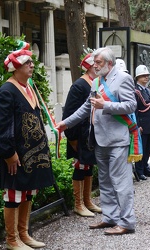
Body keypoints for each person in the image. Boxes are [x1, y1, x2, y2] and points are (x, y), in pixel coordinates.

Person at [55, 47, 137, 235]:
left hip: (117, 140)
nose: (95, 65)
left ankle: (126, 222)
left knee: (121, 182)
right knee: (105, 182)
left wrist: (105, 105)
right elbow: (86, 108)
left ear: (109, 63)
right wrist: (65, 124)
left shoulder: (124, 78)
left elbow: (132, 105)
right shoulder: (97, 81)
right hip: (99, 139)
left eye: (98, 62)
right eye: (94, 62)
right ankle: (110, 218)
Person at [0, 42, 53, 249]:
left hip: (31, 155)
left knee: (27, 191)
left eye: (32, 62)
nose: (32, 66)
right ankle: (12, 239)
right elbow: (1, 127)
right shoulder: (7, 91)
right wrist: (9, 153)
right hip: (15, 156)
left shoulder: (28, 88)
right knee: (13, 194)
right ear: (16, 67)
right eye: (28, 62)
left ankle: (23, 234)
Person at [62, 53, 101, 217]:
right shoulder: (79, 85)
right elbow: (70, 113)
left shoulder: (94, 83)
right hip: (79, 136)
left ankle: (87, 200)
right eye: (97, 64)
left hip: (89, 135)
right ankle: (78, 204)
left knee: (89, 166)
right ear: (91, 66)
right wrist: (72, 138)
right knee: (80, 167)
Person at [134, 65, 150, 181]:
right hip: (142, 124)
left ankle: (146, 169)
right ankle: (139, 171)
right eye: (143, 76)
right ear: (137, 77)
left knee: (148, 148)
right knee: (142, 149)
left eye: (147, 76)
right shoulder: (136, 91)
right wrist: (137, 125)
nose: (146, 77)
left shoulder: (147, 90)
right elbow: (135, 109)